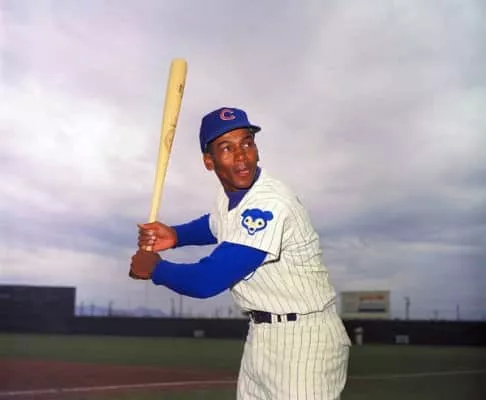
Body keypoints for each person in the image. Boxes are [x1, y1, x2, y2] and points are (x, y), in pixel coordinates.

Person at [129, 106, 352, 400]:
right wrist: (176, 235)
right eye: (227, 148)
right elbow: (215, 223)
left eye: (247, 143)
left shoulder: (270, 202)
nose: (242, 156)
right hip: (261, 334)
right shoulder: (231, 195)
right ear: (209, 162)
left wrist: (156, 268)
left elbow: (207, 280)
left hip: (305, 339)